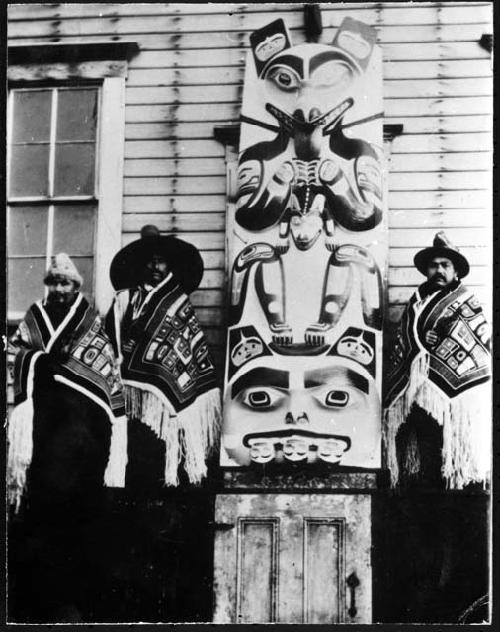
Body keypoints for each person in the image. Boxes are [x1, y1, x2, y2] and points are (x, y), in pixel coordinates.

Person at [7, 253, 127, 622]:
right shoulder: (34, 315)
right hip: (44, 419)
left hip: (83, 422)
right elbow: (17, 350)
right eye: (54, 283)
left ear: (76, 286)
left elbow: (104, 364)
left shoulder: (89, 318)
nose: (59, 289)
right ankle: (42, 599)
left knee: (81, 510)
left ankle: (78, 599)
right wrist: (42, 360)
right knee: (43, 507)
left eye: (66, 283)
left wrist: (62, 366)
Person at [382, 232, 491, 622]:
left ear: (456, 270)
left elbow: (477, 354)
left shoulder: (467, 303)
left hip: (455, 411)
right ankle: (426, 588)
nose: (438, 270)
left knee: (457, 502)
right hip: (421, 411)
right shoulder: (415, 303)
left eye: (445, 265)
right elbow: (405, 348)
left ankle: (458, 589)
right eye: (433, 265)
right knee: (424, 498)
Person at [106, 225, 221, 489]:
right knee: (136, 450)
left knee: (163, 448)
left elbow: (186, 345)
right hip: (130, 393)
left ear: (169, 264)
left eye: (160, 261)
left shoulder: (177, 300)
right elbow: (112, 336)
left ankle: (168, 489)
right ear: (140, 265)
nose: (155, 267)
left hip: (167, 394)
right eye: (149, 261)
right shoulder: (126, 298)